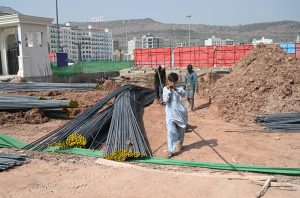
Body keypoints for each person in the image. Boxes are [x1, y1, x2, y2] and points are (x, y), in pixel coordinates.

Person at [163, 72, 188, 158]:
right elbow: (165, 100)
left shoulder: (179, 88)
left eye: (174, 82)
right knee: (171, 131)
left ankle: (180, 142)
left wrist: (176, 89)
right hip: (170, 114)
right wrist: (169, 91)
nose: (172, 84)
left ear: (176, 81)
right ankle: (171, 150)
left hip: (180, 113)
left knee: (181, 129)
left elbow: (184, 94)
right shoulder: (165, 89)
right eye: (171, 82)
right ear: (168, 81)